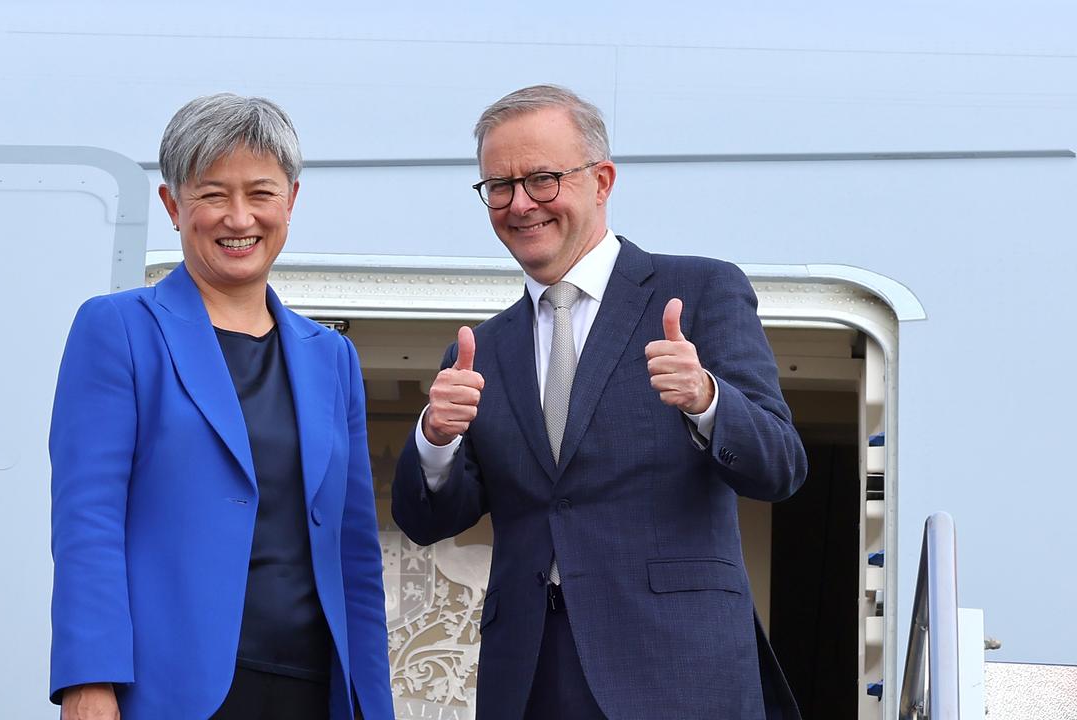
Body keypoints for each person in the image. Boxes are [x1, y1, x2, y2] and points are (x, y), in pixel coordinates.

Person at [391, 85, 808, 720]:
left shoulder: (700, 290)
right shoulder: (480, 350)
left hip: (676, 666)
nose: (519, 203)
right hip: (530, 673)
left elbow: (780, 466)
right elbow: (426, 521)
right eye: (498, 186)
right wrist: (435, 441)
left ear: (602, 180)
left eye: (542, 179)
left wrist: (706, 400)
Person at [49, 93, 392, 720]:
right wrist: (88, 678)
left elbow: (353, 550)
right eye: (212, 195)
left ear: (291, 200)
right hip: (168, 687)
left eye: (260, 193)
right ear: (173, 206)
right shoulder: (118, 329)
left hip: (314, 687)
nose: (239, 218)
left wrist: (372, 701)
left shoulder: (331, 358)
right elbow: (87, 520)